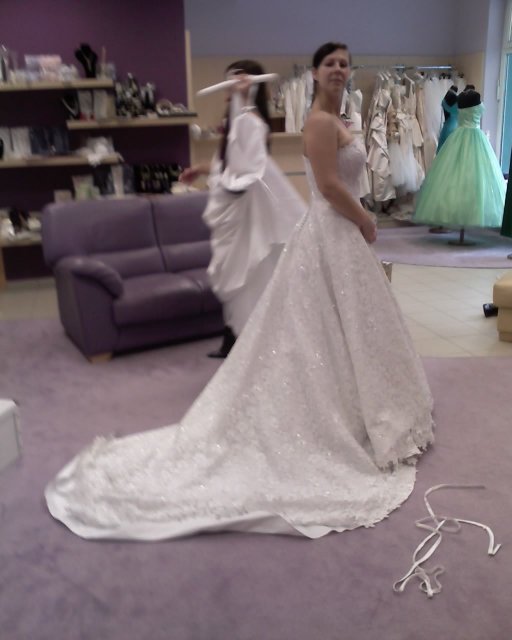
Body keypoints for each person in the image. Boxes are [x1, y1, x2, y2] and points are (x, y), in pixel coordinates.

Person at [45, 42, 434, 542]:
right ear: (314, 73)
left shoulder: (337, 119)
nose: (338, 70)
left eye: (344, 63)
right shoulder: (318, 122)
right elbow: (329, 186)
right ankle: (336, 415)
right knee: (319, 328)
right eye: (329, 64)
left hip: (342, 237)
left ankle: (360, 406)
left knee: (345, 329)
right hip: (334, 230)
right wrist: (365, 219)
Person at [180, 60, 305, 357]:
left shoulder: (251, 120)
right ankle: (233, 337)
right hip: (234, 209)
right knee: (234, 272)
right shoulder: (236, 119)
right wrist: (200, 169)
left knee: (249, 272)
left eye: (235, 82)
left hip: (248, 209)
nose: (229, 89)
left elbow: (247, 163)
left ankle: (249, 341)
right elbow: (225, 162)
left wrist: (245, 100)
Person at [414, 87, 506, 229]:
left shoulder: (465, 98)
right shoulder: (465, 98)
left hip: (464, 137)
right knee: (462, 176)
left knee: (465, 177)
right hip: (472, 137)